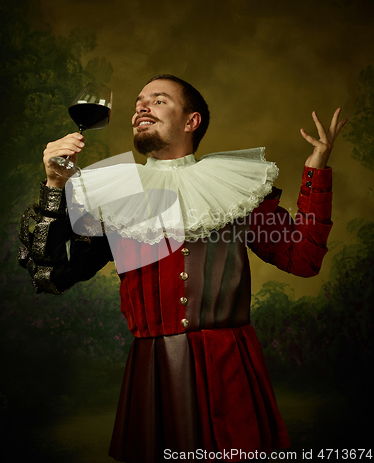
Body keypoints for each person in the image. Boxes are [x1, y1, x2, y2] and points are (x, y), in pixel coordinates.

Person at [19, 74, 347, 462]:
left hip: (231, 369)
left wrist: (316, 169)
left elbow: (303, 258)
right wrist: (55, 185)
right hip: (155, 373)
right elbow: (51, 275)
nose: (141, 107)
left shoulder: (234, 187)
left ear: (191, 122)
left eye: (158, 101)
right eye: (139, 102)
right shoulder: (114, 192)